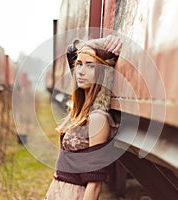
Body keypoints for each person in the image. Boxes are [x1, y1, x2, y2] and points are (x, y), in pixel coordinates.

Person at [44, 35, 122, 200]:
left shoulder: (98, 119)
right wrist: (94, 45)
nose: (81, 71)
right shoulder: (81, 112)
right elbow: (71, 51)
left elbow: (94, 185)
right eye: (79, 64)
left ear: (102, 72)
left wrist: (102, 44)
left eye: (90, 66)